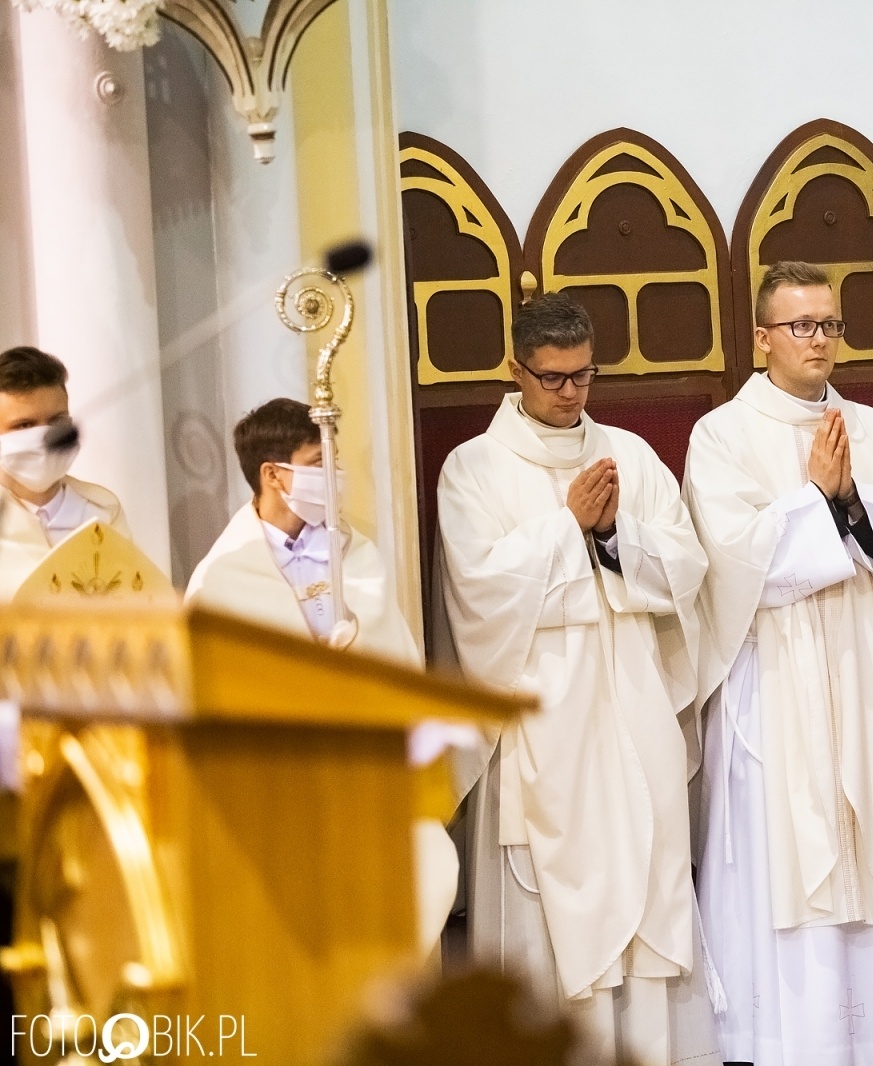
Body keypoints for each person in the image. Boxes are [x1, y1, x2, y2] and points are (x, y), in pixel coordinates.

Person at [684, 260, 873, 1065]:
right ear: (763, 337)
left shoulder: (872, 428)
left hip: (866, 671)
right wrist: (816, 501)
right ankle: (793, 1044)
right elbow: (732, 558)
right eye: (802, 326)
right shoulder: (724, 435)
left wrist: (849, 504)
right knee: (792, 844)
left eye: (830, 324)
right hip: (780, 678)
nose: (820, 341)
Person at [436, 293, 718, 1066]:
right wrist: (569, 530)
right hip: (541, 719)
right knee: (551, 920)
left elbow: (687, 566)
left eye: (584, 376)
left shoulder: (630, 455)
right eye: (553, 378)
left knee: (652, 892)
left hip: (632, 702)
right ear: (514, 369)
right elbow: (481, 593)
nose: (570, 393)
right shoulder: (474, 469)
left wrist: (614, 536)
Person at [185, 397, 460, 957]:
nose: (334, 477)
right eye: (318, 461)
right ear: (273, 475)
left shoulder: (357, 557)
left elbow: (401, 670)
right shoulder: (222, 577)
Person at [0, 346, 130, 596]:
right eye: (24, 425)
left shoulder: (103, 509)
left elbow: (136, 600)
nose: (44, 436)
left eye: (57, 422)